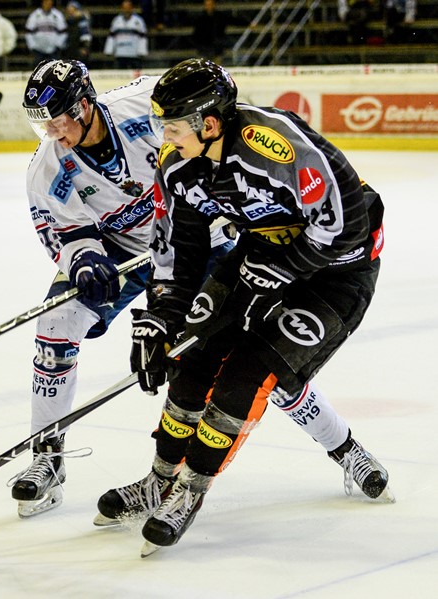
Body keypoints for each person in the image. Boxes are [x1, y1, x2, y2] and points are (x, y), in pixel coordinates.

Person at [13, 58, 392, 525]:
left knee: (251, 363)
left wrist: (242, 223)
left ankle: (342, 447)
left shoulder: (150, 108)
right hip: (127, 253)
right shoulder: (47, 170)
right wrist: (84, 259)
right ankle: (48, 456)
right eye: (42, 126)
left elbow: (240, 151)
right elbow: (64, 232)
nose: (52, 133)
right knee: (55, 324)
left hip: (216, 242)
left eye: (57, 121)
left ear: (85, 104)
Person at [129, 58, 392, 553]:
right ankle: (159, 481)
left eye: (171, 126)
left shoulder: (271, 144)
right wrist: (162, 316)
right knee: (192, 353)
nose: (163, 137)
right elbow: (181, 251)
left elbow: (347, 221)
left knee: (252, 372)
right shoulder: (180, 165)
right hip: (263, 253)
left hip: (338, 270)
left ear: (209, 124)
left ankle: (192, 488)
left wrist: (286, 268)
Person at [104, 0, 148, 70]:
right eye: (124, 8)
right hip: (120, 54)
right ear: (122, 8)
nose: (126, 10)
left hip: (134, 55)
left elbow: (142, 37)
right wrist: (108, 50)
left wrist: (142, 52)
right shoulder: (116, 20)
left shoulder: (138, 21)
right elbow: (111, 36)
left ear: (132, 8)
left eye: (128, 8)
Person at [25, 0, 67, 67]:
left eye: (50, 2)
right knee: (37, 69)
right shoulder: (35, 15)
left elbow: (63, 32)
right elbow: (28, 32)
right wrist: (32, 46)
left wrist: (58, 45)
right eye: (46, 2)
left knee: (54, 69)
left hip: (53, 49)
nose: (48, 4)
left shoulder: (57, 15)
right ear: (42, 3)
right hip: (38, 49)